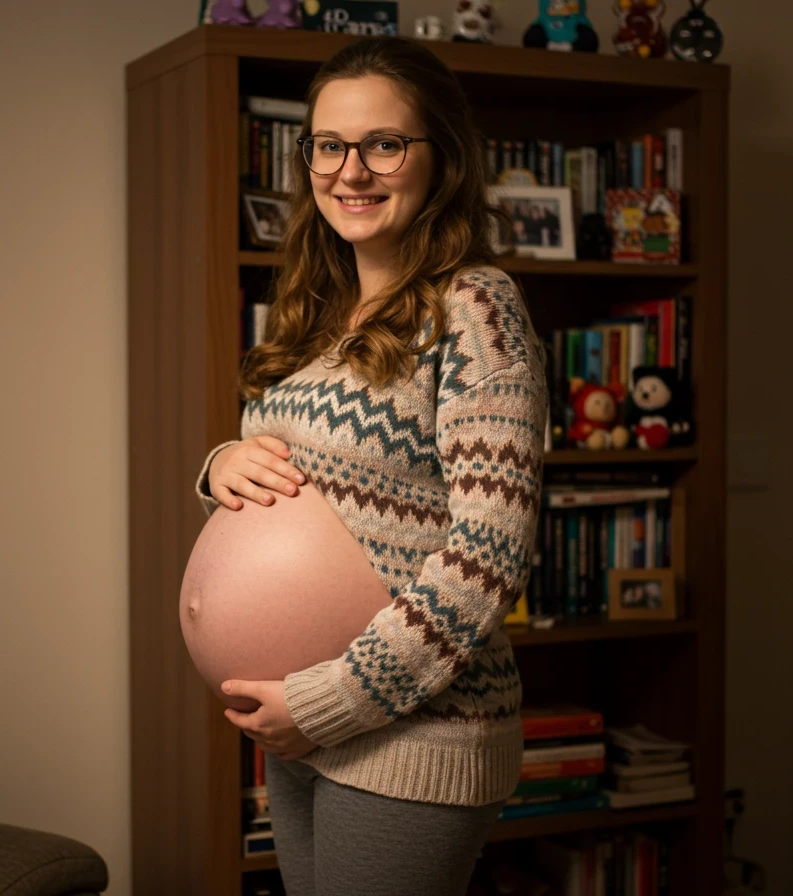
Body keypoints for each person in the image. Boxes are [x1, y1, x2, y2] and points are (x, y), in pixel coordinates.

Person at [191, 35, 549, 896]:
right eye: (328, 145)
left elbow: (488, 554)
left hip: (406, 732)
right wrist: (221, 467)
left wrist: (329, 703)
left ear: (442, 159)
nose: (351, 171)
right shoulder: (313, 307)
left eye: (384, 144)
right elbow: (296, 481)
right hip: (302, 727)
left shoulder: (475, 307)